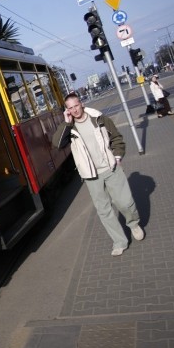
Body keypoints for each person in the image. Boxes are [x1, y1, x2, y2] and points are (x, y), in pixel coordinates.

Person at [53, 93, 145, 256]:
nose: (74, 110)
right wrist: (66, 123)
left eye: (76, 105)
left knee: (124, 202)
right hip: (91, 176)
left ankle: (133, 224)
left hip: (110, 168)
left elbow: (116, 137)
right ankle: (119, 241)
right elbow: (57, 144)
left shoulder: (99, 118)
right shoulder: (69, 128)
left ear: (81, 103)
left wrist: (117, 156)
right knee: (104, 210)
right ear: (67, 110)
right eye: (70, 108)